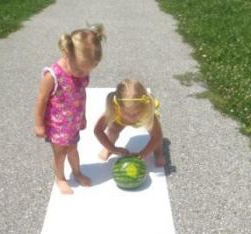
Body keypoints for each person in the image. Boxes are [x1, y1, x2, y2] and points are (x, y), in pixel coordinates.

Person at [34, 25, 106, 194]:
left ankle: (77, 172)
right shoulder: (52, 76)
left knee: (73, 149)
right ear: (67, 54)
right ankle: (60, 178)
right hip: (56, 125)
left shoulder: (81, 72)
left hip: (73, 122)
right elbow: (41, 100)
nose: (83, 74)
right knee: (60, 154)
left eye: (88, 70)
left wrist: (83, 116)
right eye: (81, 69)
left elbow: (82, 94)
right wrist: (38, 124)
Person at [94, 79, 166, 167]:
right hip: (120, 120)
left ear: (143, 106)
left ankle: (158, 153)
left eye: (136, 113)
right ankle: (108, 148)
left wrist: (143, 154)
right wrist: (113, 149)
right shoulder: (114, 108)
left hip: (143, 119)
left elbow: (157, 136)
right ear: (118, 105)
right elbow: (98, 130)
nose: (131, 117)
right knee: (113, 130)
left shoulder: (147, 110)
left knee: (155, 135)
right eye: (127, 113)